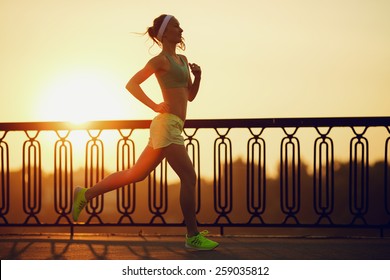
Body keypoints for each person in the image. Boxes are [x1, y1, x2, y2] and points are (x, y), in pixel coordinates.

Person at [72, 14, 219, 250]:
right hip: (167, 125)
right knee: (189, 177)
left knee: (136, 174)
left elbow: (189, 95)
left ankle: (86, 194)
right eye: (175, 26)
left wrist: (199, 76)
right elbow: (132, 84)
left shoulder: (182, 59)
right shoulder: (160, 61)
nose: (181, 29)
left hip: (172, 126)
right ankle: (192, 236)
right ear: (164, 33)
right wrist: (154, 105)